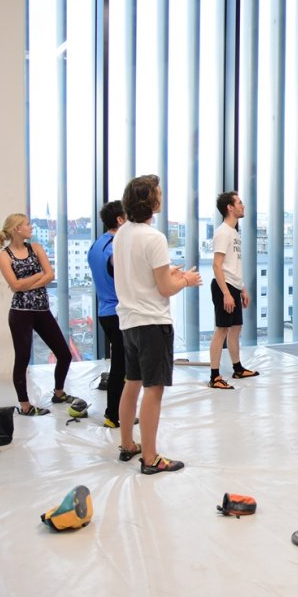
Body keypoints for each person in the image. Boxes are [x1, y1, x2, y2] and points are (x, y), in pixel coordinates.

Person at [113, 175, 201, 475]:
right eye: (158, 193)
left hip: (129, 322)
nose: (161, 197)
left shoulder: (122, 234)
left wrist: (169, 274)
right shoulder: (154, 238)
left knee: (132, 383)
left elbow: (140, 274)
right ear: (149, 201)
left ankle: (127, 444)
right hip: (152, 323)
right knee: (154, 389)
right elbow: (165, 288)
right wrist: (186, 279)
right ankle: (150, 458)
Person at [0, 214, 74, 415]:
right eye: (27, 224)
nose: (31, 227)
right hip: (20, 313)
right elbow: (15, 285)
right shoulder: (4, 256)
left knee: (64, 354)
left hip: (42, 309)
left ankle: (59, 393)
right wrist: (38, 276)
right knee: (22, 359)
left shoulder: (36, 248)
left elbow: (50, 275)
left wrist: (29, 282)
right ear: (16, 229)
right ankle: (25, 405)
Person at [207, 191, 259, 388]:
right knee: (221, 330)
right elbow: (216, 265)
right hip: (224, 287)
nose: (243, 206)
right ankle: (214, 377)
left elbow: (233, 264)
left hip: (234, 286)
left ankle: (238, 369)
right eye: (239, 203)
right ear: (229, 207)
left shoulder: (234, 233)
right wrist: (227, 293)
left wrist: (242, 288)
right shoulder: (222, 232)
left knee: (236, 328)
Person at [87, 200, 129, 428]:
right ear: (120, 220)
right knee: (121, 368)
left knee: (120, 365)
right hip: (117, 312)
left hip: (106, 311)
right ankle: (114, 414)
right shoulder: (114, 247)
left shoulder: (96, 245)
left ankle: (117, 412)